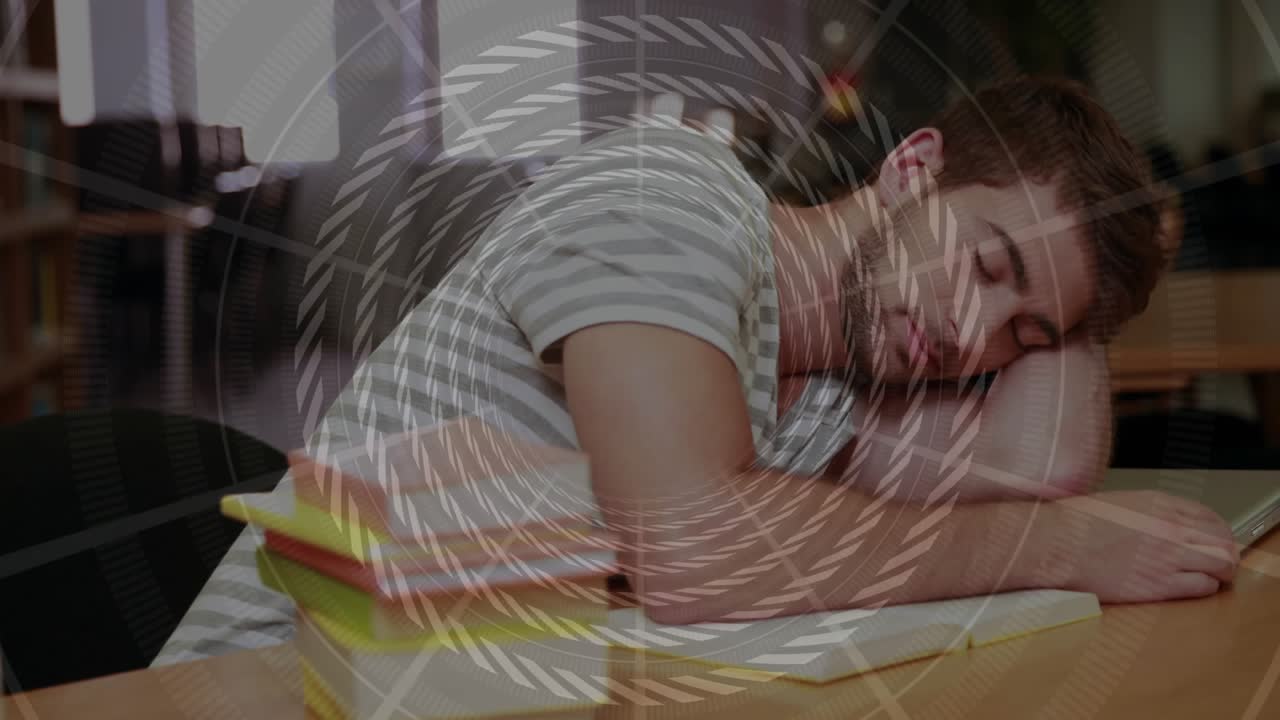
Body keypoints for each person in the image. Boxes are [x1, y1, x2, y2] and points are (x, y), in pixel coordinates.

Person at [153, 76, 1238, 664]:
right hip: (260, 693)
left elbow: (1025, 472)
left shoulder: (826, 402)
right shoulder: (664, 198)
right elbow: (696, 551)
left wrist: (1087, 282)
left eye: (1018, 334)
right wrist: (1055, 546)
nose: (971, 332)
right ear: (910, 169)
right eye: (983, 262)